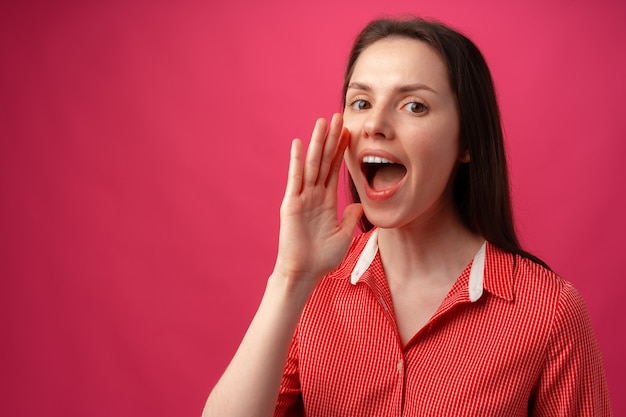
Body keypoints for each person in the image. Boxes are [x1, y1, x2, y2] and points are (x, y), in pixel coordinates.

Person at [202, 17, 611, 416]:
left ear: (467, 141)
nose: (375, 125)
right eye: (361, 102)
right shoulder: (311, 291)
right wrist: (291, 277)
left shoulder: (549, 311)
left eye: (414, 106)